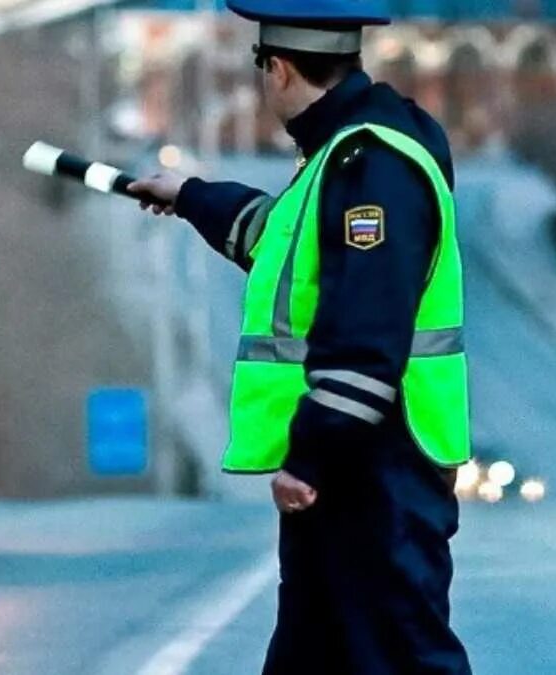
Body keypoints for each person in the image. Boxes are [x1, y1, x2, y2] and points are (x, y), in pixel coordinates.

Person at [129, 1, 471, 672]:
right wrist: (191, 195)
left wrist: (309, 458)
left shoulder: (371, 165)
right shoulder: (352, 151)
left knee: (399, 657)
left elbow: (366, 338)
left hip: (375, 473)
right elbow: (284, 243)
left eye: (261, 67)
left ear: (278, 68)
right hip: (359, 476)